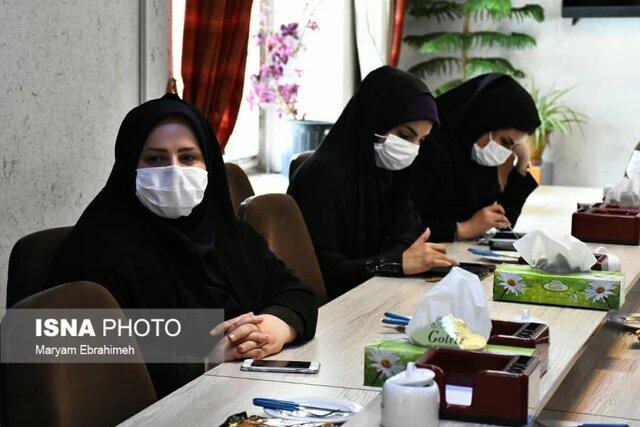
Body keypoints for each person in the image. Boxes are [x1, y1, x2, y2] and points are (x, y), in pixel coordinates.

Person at [49, 94, 317, 396]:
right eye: (155, 159)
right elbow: (84, 351)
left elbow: (297, 292)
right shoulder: (99, 246)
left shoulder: (227, 232)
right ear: (129, 166)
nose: (173, 171)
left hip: (243, 391)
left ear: (209, 165)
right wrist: (204, 359)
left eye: (188, 157)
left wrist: (275, 327)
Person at [287, 66, 458, 300]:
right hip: (333, 310)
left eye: (421, 140)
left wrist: (393, 261)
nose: (412, 149)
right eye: (405, 136)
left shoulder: (389, 172)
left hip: (376, 295)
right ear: (373, 120)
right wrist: (393, 263)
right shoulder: (321, 176)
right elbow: (323, 270)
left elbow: (411, 232)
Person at [411, 73, 541, 242]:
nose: (506, 151)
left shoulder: (477, 157)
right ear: (484, 121)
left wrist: (523, 162)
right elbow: (404, 226)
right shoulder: (430, 148)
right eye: (505, 142)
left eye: (513, 146)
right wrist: (463, 229)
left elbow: (502, 223)